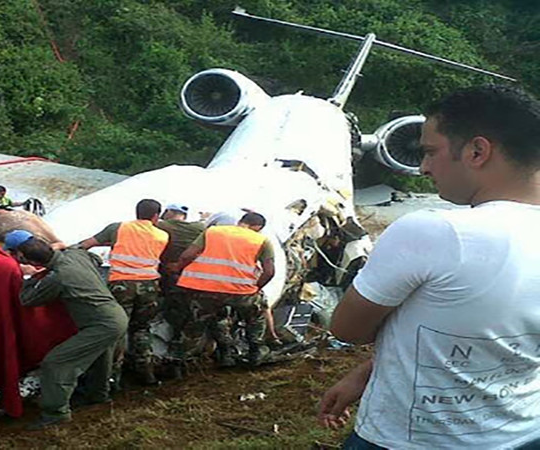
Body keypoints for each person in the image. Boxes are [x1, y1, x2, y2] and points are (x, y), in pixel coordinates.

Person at [319, 85, 540, 449]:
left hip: (410, 440)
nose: (423, 167)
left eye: (430, 151)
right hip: (522, 434)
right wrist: (366, 373)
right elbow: (491, 339)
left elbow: (347, 329)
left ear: (477, 151)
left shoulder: (435, 232)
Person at [5, 230, 128, 430]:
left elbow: (26, 300)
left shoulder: (57, 277)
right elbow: (96, 258)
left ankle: (56, 413)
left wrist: (32, 277)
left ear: (24, 257)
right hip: (116, 316)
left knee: (56, 363)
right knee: (100, 359)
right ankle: (97, 396)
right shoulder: (75, 254)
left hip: (102, 324)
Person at [78, 199, 169, 385]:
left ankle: (112, 378)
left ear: (136, 212)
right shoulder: (162, 235)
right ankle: (146, 372)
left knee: (117, 329)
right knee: (141, 328)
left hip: (121, 285)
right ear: (156, 216)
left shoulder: (117, 228)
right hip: (149, 286)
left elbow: (86, 244)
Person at [172, 212, 275, 367]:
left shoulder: (213, 231)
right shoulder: (261, 240)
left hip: (206, 289)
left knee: (204, 320)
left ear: (240, 221)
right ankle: (255, 352)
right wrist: (256, 287)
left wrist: (177, 268)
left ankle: (184, 360)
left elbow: (188, 255)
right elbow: (269, 271)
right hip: (240, 291)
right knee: (255, 316)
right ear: (258, 227)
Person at [155, 204, 205, 377]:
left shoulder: (161, 226)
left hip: (170, 278)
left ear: (169, 212)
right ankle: (184, 357)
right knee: (190, 317)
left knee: (172, 315)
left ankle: (170, 359)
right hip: (194, 279)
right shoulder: (200, 228)